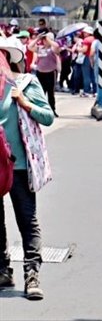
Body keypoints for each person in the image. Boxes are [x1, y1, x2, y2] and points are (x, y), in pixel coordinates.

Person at [0, 37, 55, 300]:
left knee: (26, 219)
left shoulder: (25, 83)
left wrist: (25, 103)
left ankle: (32, 274)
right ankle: (3, 269)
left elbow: (47, 116)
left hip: (19, 166)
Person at [27, 28, 60, 117]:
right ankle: (40, 110)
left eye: (45, 40)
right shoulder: (39, 48)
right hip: (40, 73)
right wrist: (37, 38)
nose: (44, 41)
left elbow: (57, 46)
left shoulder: (52, 49)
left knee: (50, 93)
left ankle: (52, 110)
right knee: (41, 92)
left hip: (50, 73)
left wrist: (48, 39)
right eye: (44, 40)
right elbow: (29, 47)